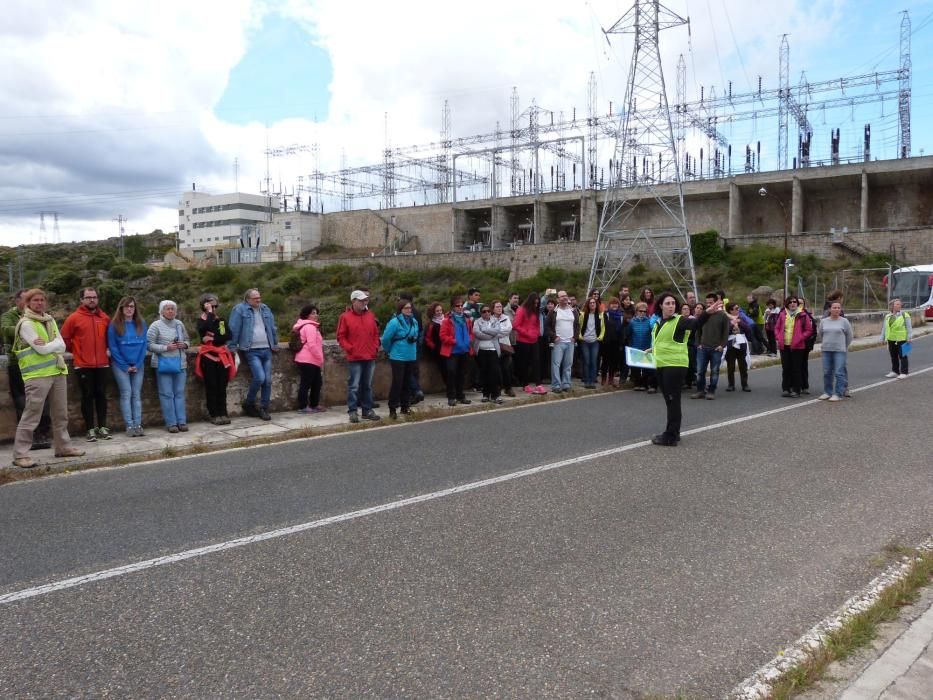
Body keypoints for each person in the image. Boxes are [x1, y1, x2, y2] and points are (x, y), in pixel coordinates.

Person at [10, 289, 85, 468]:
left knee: (60, 414)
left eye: (42, 300)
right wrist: (54, 345)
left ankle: (63, 447)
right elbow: (42, 350)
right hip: (37, 376)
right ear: (28, 303)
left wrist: (51, 345)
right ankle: (20, 455)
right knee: (31, 415)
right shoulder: (26, 323)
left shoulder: (49, 320)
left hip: (57, 371)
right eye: (35, 300)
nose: (40, 303)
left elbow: (62, 345)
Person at [647, 291, 718, 446]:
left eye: (673, 303)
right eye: (667, 303)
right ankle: (674, 432)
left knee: (673, 400)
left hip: (675, 365)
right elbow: (662, 342)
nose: (671, 306)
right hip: (661, 364)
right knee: (670, 400)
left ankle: (670, 436)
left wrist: (707, 313)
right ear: (660, 306)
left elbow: (695, 324)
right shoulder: (659, 323)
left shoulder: (680, 321)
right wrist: (652, 349)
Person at [2, 289, 52, 450]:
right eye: (26, 299)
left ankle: (42, 434)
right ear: (17, 301)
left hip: (38, 364)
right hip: (17, 364)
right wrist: (25, 329)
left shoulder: (41, 316)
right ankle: (28, 437)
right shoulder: (8, 316)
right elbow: (5, 330)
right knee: (22, 400)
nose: (30, 302)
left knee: (42, 400)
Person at [61, 287, 112, 441]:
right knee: (87, 396)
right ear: (82, 300)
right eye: (88, 297)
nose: (92, 300)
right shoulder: (74, 318)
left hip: (102, 364)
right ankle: (90, 428)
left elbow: (110, 338)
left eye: (94, 297)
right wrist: (78, 351)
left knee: (102, 395)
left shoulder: (104, 318)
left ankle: (102, 427)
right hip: (83, 364)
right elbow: (64, 339)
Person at [228, 288, 278, 421]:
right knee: (260, 378)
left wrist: (275, 343)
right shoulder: (239, 309)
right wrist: (232, 345)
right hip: (251, 350)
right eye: (256, 298)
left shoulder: (265, 308)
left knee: (267, 381)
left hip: (267, 349)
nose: (259, 300)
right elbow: (234, 328)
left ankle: (263, 408)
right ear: (248, 299)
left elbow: (272, 327)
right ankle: (249, 403)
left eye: (259, 297)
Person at [337, 289, 381, 423]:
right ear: (353, 301)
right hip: (355, 357)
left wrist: (375, 348)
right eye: (361, 300)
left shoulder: (370, 315)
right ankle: (353, 411)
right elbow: (341, 336)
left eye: (365, 300)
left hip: (369, 356)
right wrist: (351, 349)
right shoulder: (345, 317)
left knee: (367, 385)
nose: (364, 302)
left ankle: (367, 410)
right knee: (354, 385)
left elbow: (375, 333)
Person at [107, 296, 148, 436]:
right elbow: (113, 347)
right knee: (126, 393)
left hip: (138, 365)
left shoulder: (141, 323)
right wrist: (125, 366)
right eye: (126, 306)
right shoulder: (114, 325)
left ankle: (138, 424)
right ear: (121, 308)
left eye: (132, 306)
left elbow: (144, 345)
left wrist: (137, 364)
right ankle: (129, 426)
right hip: (120, 365)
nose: (129, 309)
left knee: (136, 395)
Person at [147, 300, 190, 433]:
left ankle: (181, 422)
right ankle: (171, 423)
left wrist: (185, 345)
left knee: (179, 394)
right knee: (166, 394)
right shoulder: (155, 325)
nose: (171, 311)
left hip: (180, 364)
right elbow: (149, 345)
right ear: (161, 311)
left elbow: (188, 339)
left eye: (173, 309)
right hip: (163, 364)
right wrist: (166, 347)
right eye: (167, 309)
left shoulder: (179, 324)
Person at [194, 293, 234, 425]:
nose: (214, 307)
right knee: (211, 385)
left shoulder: (221, 320)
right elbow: (203, 329)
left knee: (222, 385)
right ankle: (214, 413)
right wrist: (210, 314)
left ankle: (223, 412)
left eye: (215, 305)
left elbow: (226, 335)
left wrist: (213, 338)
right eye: (211, 305)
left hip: (221, 356)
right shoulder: (201, 320)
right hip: (208, 356)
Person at [381, 299, 420, 418]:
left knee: (407, 382)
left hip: (411, 356)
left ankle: (405, 406)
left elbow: (416, 335)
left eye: (410, 308)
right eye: (406, 308)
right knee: (397, 382)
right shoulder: (394, 322)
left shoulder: (414, 321)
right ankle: (392, 408)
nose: (409, 310)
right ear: (400, 310)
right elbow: (386, 339)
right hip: (398, 356)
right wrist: (389, 350)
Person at [691, 293, 729, 400]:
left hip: (716, 349)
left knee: (715, 371)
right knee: (700, 371)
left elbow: (726, 332)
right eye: (707, 303)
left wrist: (722, 345)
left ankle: (711, 391)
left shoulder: (723, 316)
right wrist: (698, 344)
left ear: (717, 302)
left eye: (711, 303)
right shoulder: (704, 314)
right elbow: (698, 330)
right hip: (702, 348)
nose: (708, 305)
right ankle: (700, 391)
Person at [774, 296, 814, 398]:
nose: (793, 304)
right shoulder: (783, 315)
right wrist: (778, 337)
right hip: (784, 345)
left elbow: (809, 330)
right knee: (786, 368)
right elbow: (777, 328)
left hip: (798, 345)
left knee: (796, 368)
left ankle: (796, 390)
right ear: (787, 304)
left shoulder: (803, 315)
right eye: (790, 302)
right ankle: (786, 389)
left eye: (795, 302)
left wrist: (800, 337)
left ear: (797, 304)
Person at [472, 302, 511, 404]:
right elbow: (477, 333)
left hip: (493, 350)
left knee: (495, 373)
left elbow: (497, 331)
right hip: (482, 351)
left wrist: (485, 330)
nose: (487, 313)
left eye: (489, 311)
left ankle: (496, 395)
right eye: (484, 311)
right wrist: (490, 334)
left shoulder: (495, 320)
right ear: (481, 313)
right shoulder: (477, 322)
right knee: (484, 373)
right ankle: (486, 394)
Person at [439, 295, 474, 406]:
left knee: (462, 374)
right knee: (451, 374)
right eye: (457, 306)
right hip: (452, 351)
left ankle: (460, 396)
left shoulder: (467, 319)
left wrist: (469, 340)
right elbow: (442, 336)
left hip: (464, 351)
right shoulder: (446, 320)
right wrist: (454, 341)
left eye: (461, 305)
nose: (459, 307)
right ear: (452, 307)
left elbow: (471, 333)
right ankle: (451, 397)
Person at [293, 304, 326, 414]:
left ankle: (314, 404)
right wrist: (320, 358)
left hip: (309, 360)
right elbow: (312, 345)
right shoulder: (310, 327)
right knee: (307, 383)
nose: (316, 315)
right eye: (313, 313)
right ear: (307, 315)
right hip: (308, 360)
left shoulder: (308, 326)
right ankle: (303, 406)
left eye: (316, 313)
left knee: (316, 383)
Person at [817, 301, 853, 401]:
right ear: (830, 309)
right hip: (826, 350)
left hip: (840, 351)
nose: (836, 309)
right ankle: (827, 392)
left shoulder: (844, 321)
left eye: (838, 308)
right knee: (827, 372)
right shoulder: (824, 321)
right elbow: (821, 334)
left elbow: (849, 336)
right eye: (834, 307)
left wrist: (844, 346)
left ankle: (838, 393)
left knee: (839, 372)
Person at [545, 290, 579, 393]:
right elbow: (547, 327)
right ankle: (556, 385)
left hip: (570, 342)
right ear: (557, 299)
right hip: (558, 342)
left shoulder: (573, 311)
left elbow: (577, 325)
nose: (564, 298)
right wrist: (554, 337)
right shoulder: (553, 312)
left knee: (568, 364)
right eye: (562, 296)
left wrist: (575, 337)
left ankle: (566, 384)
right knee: (556, 364)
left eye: (566, 296)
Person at [513, 292, 546, 394]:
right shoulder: (521, 310)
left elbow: (537, 324)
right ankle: (525, 384)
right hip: (523, 341)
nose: (536, 305)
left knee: (536, 362)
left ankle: (538, 384)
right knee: (525, 364)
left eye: (537, 303)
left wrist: (535, 334)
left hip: (534, 340)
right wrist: (527, 333)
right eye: (535, 303)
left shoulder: (535, 310)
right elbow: (516, 325)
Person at [398, 292, 425, 405]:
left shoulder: (404, 313)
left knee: (406, 372)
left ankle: (414, 391)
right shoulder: (417, 311)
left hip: (405, 347)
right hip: (416, 345)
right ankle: (414, 392)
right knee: (413, 370)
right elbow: (420, 330)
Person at [627, 302, 656, 392]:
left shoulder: (649, 322)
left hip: (646, 348)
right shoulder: (632, 322)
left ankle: (644, 384)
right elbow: (629, 334)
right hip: (635, 347)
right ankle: (637, 384)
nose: (643, 313)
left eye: (644, 311)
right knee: (635, 368)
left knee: (646, 368)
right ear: (636, 311)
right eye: (640, 311)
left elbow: (653, 334)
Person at [724, 302, 752, 392]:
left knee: (743, 365)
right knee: (730, 365)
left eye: (738, 308)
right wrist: (732, 324)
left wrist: (740, 323)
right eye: (736, 308)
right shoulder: (726, 319)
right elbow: (724, 332)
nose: (738, 310)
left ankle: (745, 384)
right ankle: (731, 384)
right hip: (731, 343)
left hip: (741, 342)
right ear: (730, 310)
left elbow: (748, 329)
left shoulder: (741, 318)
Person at [577, 296, 605, 389]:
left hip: (595, 342)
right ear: (588, 305)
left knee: (593, 361)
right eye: (590, 303)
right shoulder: (583, 315)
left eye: (594, 303)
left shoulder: (600, 315)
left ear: (596, 305)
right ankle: (587, 381)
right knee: (587, 361)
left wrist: (600, 337)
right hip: (585, 341)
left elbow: (603, 328)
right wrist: (580, 336)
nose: (592, 304)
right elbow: (579, 326)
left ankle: (592, 381)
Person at [881, 297, 912, 378]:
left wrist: (909, 337)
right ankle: (895, 371)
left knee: (903, 356)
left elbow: (909, 327)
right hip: (891, 339)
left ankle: (904, 372)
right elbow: (884, 327)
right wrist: (882, 337)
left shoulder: (905, 315)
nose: (899, 305)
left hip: (902, 339)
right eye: (897, 304)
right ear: (892, 306)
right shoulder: (888, 316)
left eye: (900, 304)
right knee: (893, 356)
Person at [491, 300, 516, 397]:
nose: (499, 308)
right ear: (493, 309)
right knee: (496, 369)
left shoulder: (506, 318)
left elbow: (508, 330)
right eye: (497, 307)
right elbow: (490, 331)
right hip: (494, 347)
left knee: (507, 368)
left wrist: (496, 332)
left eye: (500, 306)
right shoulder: (490, 319)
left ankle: (508, 388)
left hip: (505, 346)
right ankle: (497, 388)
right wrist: (497, 332)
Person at [422, 302, 447, 390]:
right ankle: (450, 388)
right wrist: (435, 347)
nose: (440, 312)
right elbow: (427, 339)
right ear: (433, 312)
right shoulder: (431, 325)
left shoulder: (447, 320)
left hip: (450, 349)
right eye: (437, 311)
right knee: (445, 370)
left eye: (440, 310)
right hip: (439, 351)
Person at [600, 297, 624, 387]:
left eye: (616, 303)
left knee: (614, 362)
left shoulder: (621, 316)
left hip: (616, 342)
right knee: (605, 361)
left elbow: (622, 330)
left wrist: (621, 343)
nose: (614, 305)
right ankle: (603, 379)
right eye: (612, 303)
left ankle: (611, 379)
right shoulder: (605, 314)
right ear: (609, 305)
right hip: (606, 342)